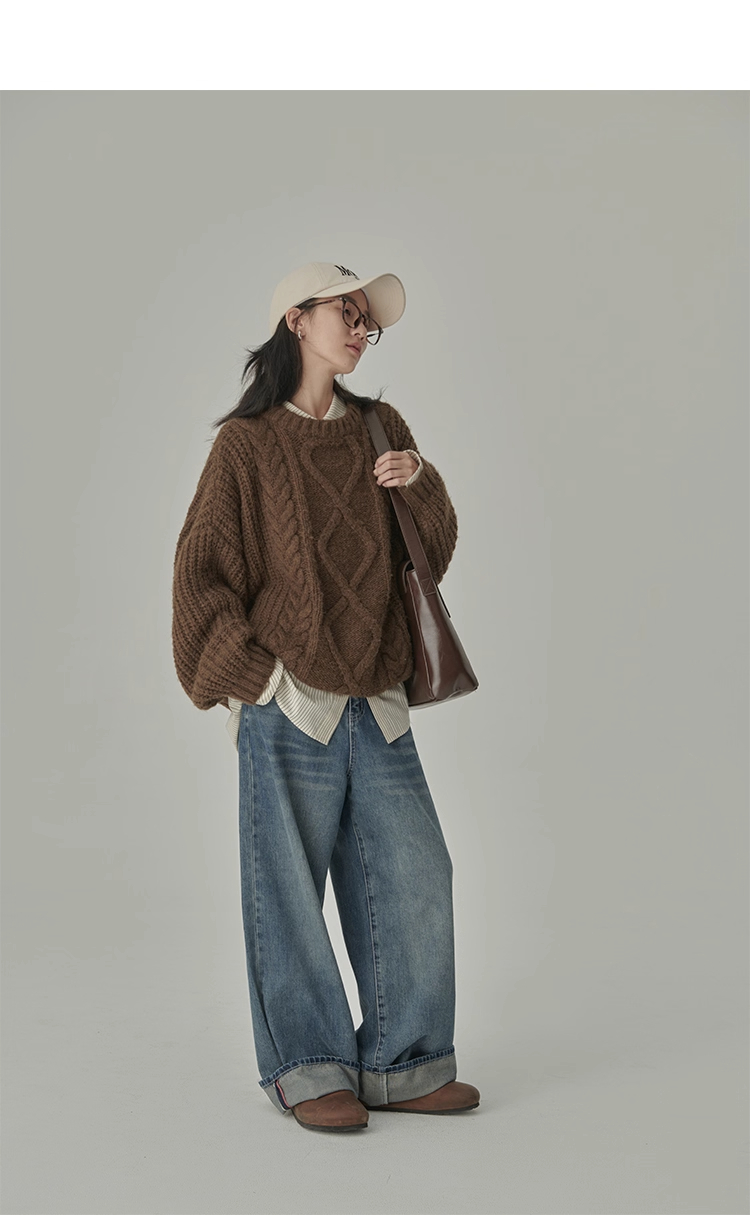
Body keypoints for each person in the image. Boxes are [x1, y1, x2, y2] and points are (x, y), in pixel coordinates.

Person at [171, 261, 480, 1133]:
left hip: (377, 698)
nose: (359, 329)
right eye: (344, 312)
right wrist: (259, 679)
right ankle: (307, 1070)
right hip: (289, 705)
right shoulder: (246, 446)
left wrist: (419, 482)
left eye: (365, 319)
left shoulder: (382, 425)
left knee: (417, 874)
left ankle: (405, 1062)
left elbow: (432, 552)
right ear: (296, 321)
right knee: (285, 891)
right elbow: (200, 579)